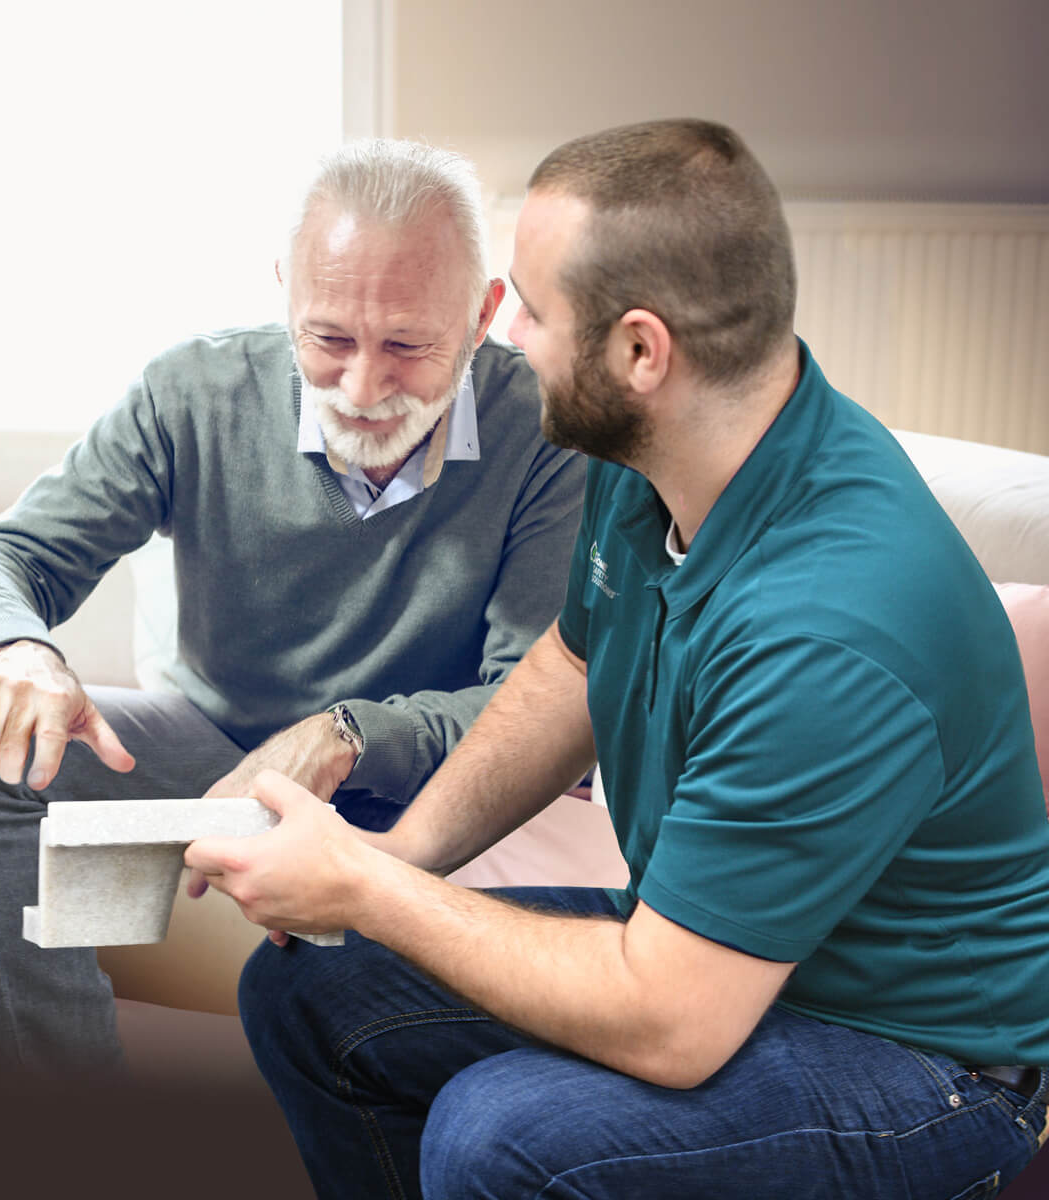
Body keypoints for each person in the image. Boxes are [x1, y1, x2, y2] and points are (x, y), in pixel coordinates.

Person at [186, 119, 1049, 1199]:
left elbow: (671, 1020)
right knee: (315, 995)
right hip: (732, 955)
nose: (512, 342)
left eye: (535, 312)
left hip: (917, 1056)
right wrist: (399, 859)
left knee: (496, 1133)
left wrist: (360, 882)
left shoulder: (828, 627)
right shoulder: (657, 454)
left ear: (641, 352)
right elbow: (571, 667)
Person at [0, 138, 586, 1079]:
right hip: (218, 753)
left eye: (410, 347)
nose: (365, 388)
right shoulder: (194, 392)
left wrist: (347, 734)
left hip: (436, 782)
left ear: (482, 315)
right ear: (285, 295)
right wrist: (16, 649)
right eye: (329, 338)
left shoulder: (550, 428)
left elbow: (532, 703)